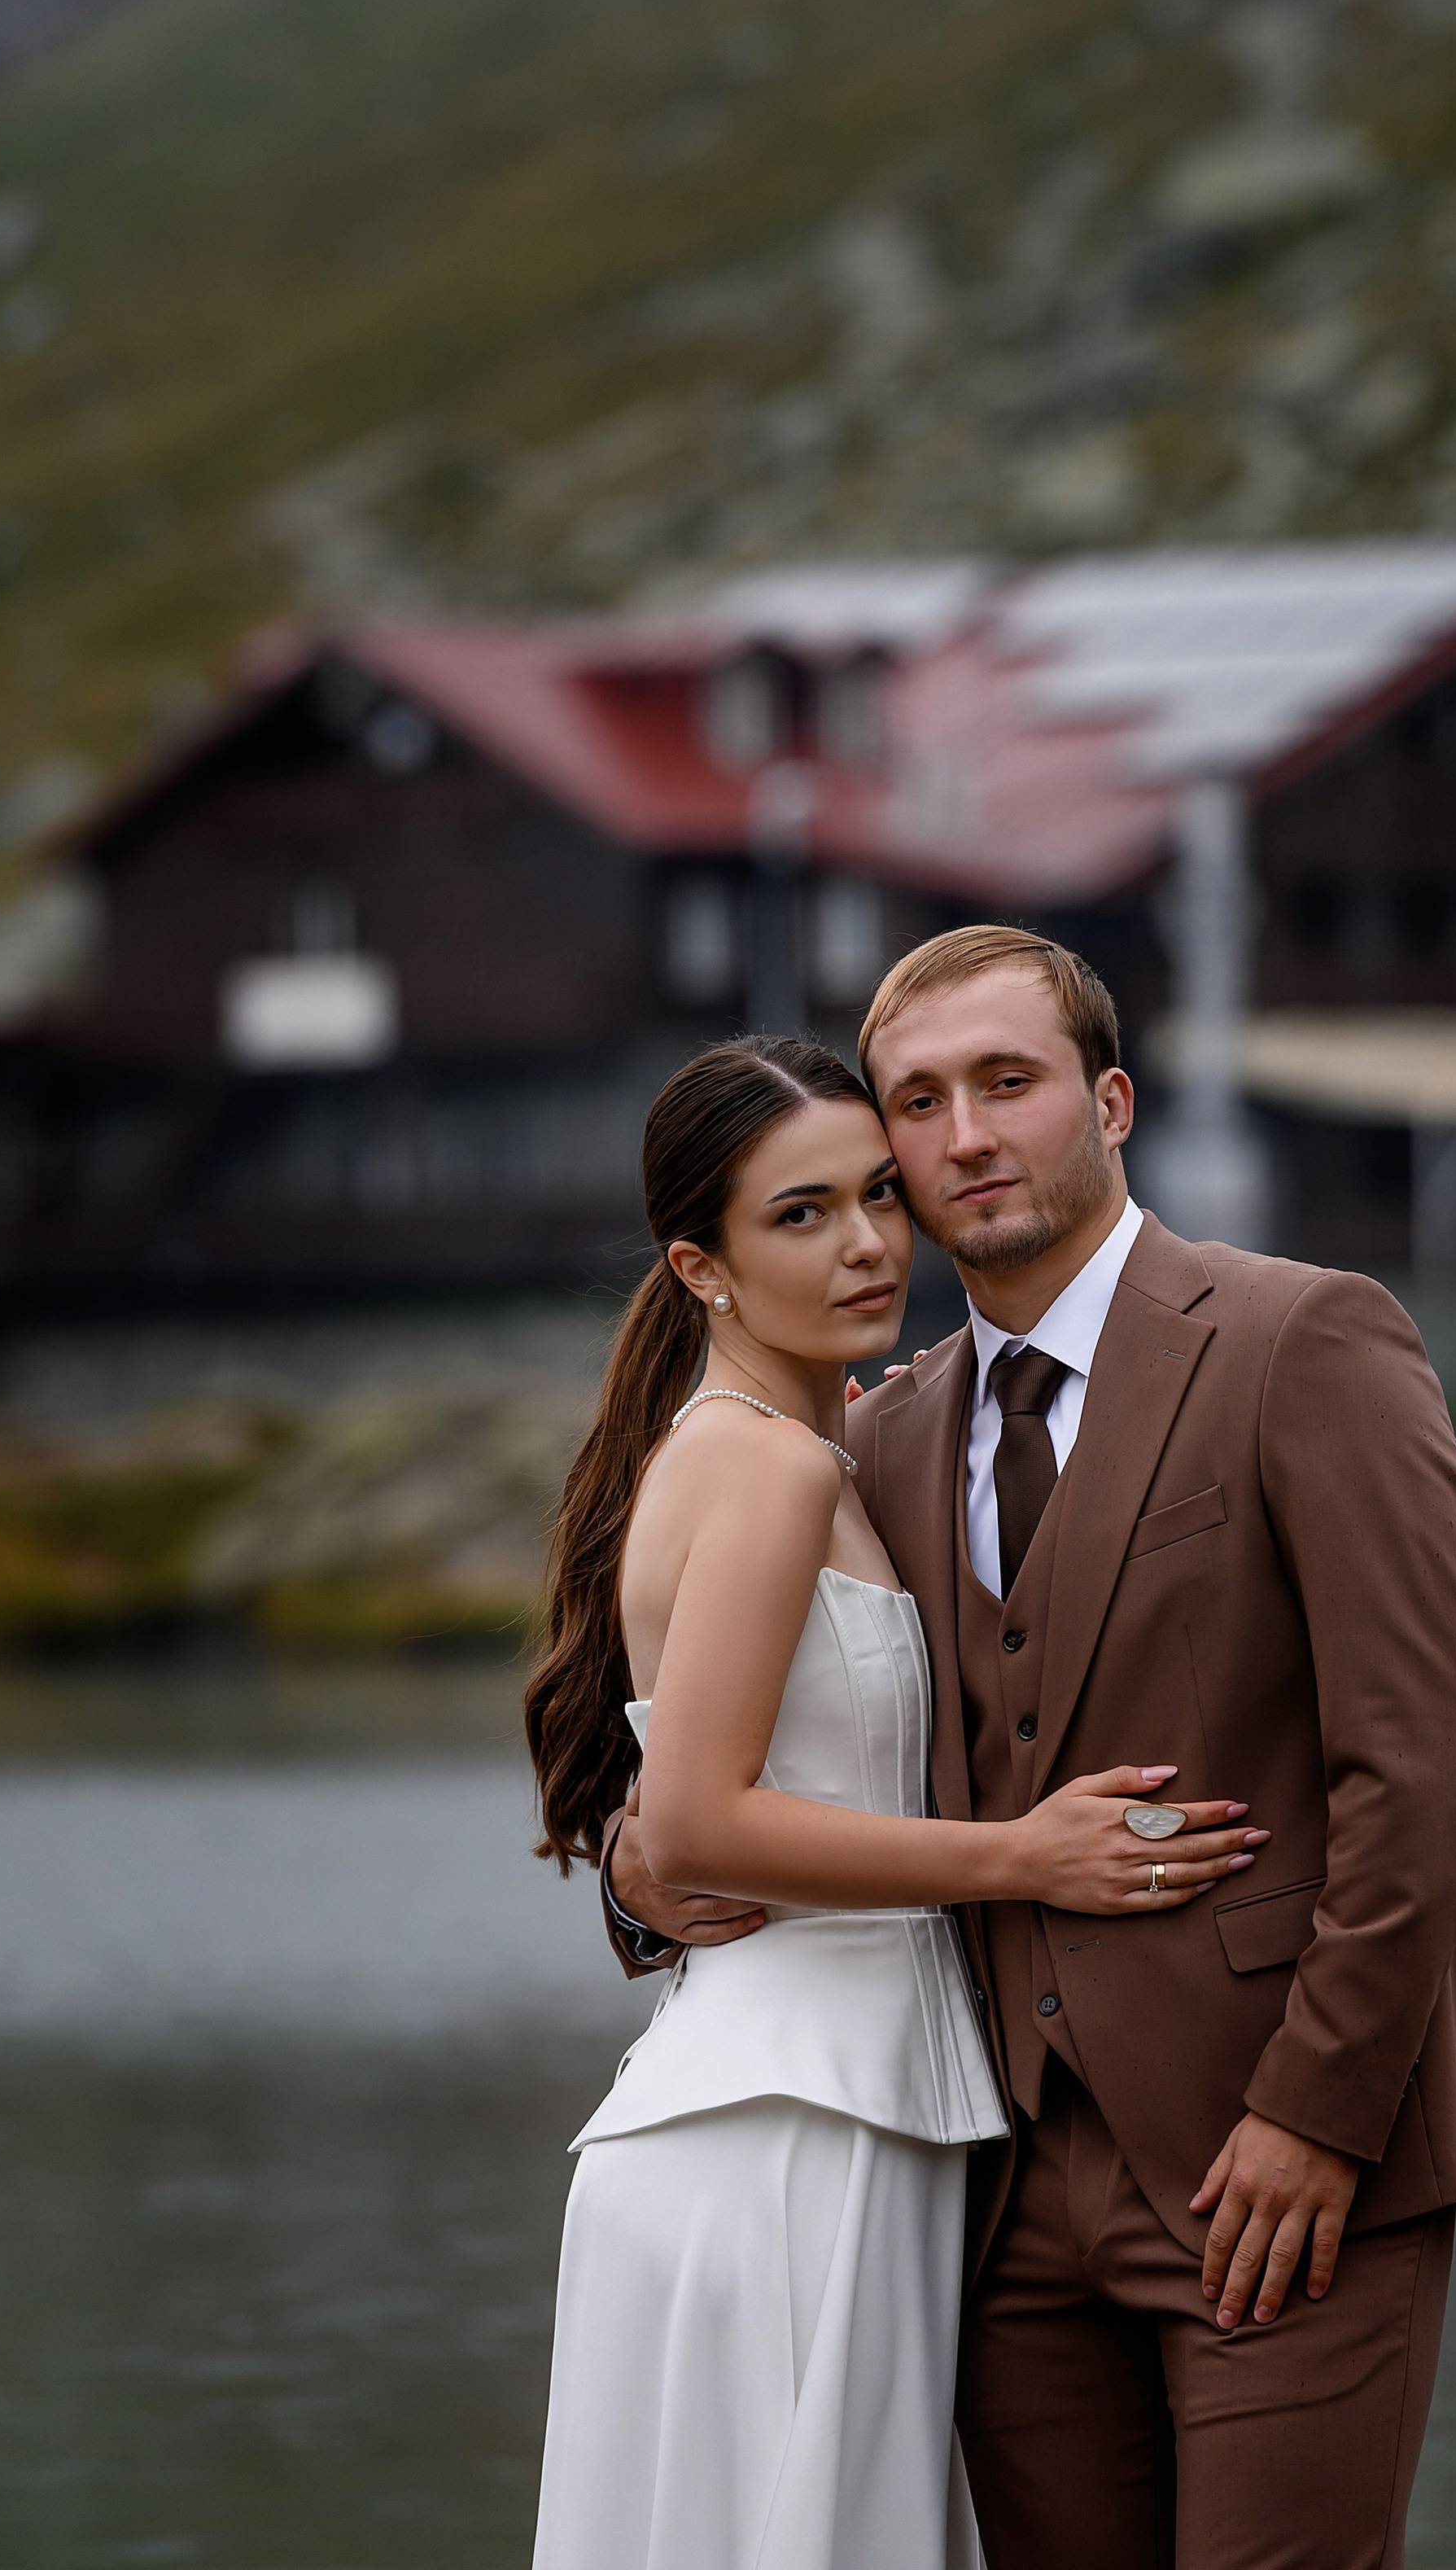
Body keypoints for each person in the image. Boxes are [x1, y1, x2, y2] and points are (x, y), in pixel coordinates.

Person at [606, 929, 1456, 2570]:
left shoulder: (1301, 1340)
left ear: (1106, 1100)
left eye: (1005, 1083)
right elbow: (750, 1750)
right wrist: (642, 1865)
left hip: (1279, 2163)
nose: (963, 1134)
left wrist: (1317, 2111)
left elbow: (1425, 1771)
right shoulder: (871, 1433)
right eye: (916, 1099)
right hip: (997, 2198)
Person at [523, 1033, 1268, 2570]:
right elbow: (704, 1818)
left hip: (845, 2110)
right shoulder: (773, 1473)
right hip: (791, 2131)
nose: (867, 1242)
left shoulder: (827, 1448)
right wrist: (1028, 1857)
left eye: (877, 1193)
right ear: (700, 1265)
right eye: (799, 1215)